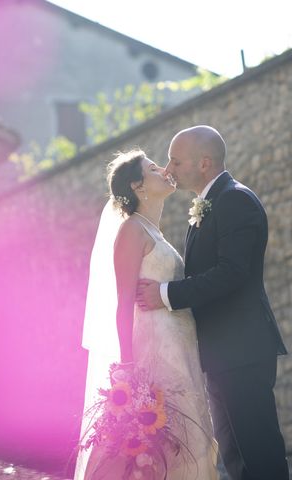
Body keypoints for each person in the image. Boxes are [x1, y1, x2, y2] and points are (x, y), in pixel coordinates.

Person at [136, 126, 289, 480]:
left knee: (259, 452)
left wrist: (164, 294)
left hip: (243, 349)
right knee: (236, 457)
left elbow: (231, 273)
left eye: (176, 160)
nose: (168, 168)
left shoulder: (235, 200)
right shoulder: (212, 202)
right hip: (221, 352)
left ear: (204, 163)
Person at [75, 149, 217, 480]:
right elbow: (122, 304)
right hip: (153, 358)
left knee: (190, 441)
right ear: (138, 185)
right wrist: (127, 371)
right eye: (154, 168)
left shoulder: (155, 232)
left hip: (181, 352)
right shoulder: (131, 231)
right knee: (158, 451)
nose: (165, 170)